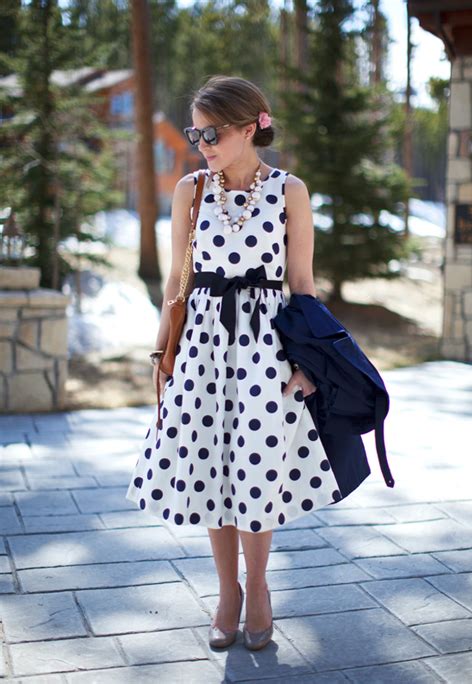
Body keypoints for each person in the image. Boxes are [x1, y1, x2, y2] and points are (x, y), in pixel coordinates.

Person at [126, 75, 342, 651]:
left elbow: (301, 284)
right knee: (207, 470)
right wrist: (161, 352)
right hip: (201, 344)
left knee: (256, 469)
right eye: (196, 132)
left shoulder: (290, 191)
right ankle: (227, 592)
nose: (201, 142)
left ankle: (260, 585)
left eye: (212, 132)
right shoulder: (190, 190)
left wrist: (310, 364)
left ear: (252, 126)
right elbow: (178, 280)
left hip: (267, 351)